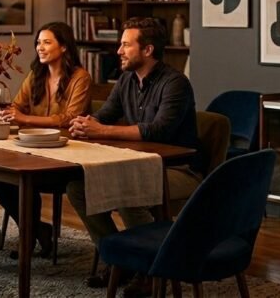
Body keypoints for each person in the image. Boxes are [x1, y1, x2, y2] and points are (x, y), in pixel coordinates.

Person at [66, 17, 197, 290]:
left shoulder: (176, 83)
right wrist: (84, 125)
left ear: (147, 50)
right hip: (137, 164)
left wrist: (99, 131)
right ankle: (117, 259)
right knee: (77, 187)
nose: (119, 51)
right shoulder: (126, 79)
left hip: (177, 171)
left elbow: (157, 131)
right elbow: (104, 116)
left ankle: (148, 269)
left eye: (126, 45)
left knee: (128, 188)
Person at [0, 21, 91, 258]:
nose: (40, 48)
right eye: (38, 42)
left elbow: (69, 118)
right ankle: (36, 230)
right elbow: (17, 105)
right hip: (32, 150)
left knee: (24, 179)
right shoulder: (36, 74)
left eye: (47, 42)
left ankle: (32, 234)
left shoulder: (80, 77)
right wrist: (10, 114)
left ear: (64, 47)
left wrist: (24, 118)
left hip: (65, 156)